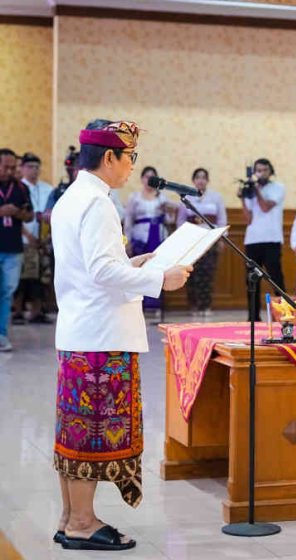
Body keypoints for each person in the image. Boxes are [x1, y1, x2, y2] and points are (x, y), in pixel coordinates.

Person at [51, 119, 191, 551]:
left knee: (75, 432)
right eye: (130, 157)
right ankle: (81, 523)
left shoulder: (72, 198)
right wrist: (159, 279)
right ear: (109, 157)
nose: (133, 166)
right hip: (101, 336)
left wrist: (137, 264)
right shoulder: (96, 203)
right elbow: (99, 271)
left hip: (83, 329)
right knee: (90, 433)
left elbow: (91, 269)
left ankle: (71, 518)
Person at [124, 166, 176, 312]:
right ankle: (141, 304)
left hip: (158, 234)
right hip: (140, 236)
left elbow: (170, 219)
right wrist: (126, 241)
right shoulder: (134, 197)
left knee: (157, 268)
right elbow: (128, 220)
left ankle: (156, 304)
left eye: (152, 177)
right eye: (146, 176)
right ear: (142, 179)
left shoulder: (162, 198)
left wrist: (169, 211)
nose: (148, 180)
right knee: (141, 269)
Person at [176, 168, 227, 316]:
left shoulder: (216, 197)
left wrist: (221, 238)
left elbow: (222, 219)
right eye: (197, 177)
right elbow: (180, 221)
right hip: (192, 241)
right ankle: (193, 306)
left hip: (210, 240)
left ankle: (206, 306)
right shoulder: (186, 198)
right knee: (191, 273)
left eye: (204, 177)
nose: (201, 180)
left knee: (207, 273)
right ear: (193, 180)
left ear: (208, 180)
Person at [242, 157, 285, 321]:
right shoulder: (250, 191)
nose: (261, 173)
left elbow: (265, 207)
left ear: (270, 171)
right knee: (252, 280)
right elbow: (248, 219)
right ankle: (253, 317)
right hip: (252, 240)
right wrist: (243, 196)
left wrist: (257, 190)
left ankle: (284, 314)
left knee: (275, 277)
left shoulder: (278, 188)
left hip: (271, 239)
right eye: (258, 170)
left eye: (264, 170)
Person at [0, 148, 33, 352]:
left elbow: (30, 216)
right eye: (5, 167)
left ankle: (2, 334)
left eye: (13, 167)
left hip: (13, 248)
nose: (10, 171)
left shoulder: (21, 188)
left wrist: (18, 213)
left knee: (7, 292)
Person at [15, 152, 54, 324]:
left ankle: (37, 312)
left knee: (40, 278)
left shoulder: (47, 189)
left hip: (43, 240)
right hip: (22, 239)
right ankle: (17, 311)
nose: (34, 170)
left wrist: (46, 237)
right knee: (21, 278)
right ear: (22, 168)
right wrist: (27, 235)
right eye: (30, 167)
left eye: (37, 167)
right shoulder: (17, 187)